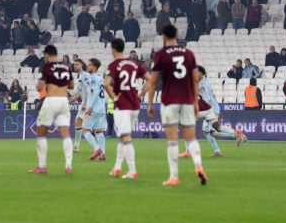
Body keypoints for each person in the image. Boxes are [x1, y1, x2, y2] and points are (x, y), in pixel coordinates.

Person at [142, 24, 207, 187]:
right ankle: (199, 166)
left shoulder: (161, 55)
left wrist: (149, 102)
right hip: (187, 99)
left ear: (164, 37)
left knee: (172, 141)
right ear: (177, 36)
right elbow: (195, 79)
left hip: (169, 100)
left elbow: (153, 80)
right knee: (191, 138)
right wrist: (196, 101)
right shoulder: (188, 53)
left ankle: (174, 177)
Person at [29, 44, 75, 175]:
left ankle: (42, 166)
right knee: (65, 133)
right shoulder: (66, 67)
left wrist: (41, 81)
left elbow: (39, 87)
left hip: (51, 100)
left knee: (41, 133)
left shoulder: (45, 67)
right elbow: (71, 85)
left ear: (47, 55)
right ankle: (68, 165)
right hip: (64, 101)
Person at [104, 38, 146, 179]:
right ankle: (117, 167)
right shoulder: (134, 63)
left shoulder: (114, 65)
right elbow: (150, 79)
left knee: (125, 138)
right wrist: (141, 94)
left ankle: (132, 171)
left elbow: (106, 84)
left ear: (113, 49)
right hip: (135, 105)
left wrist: (114, 98)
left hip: (122, 106)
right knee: (123, 137)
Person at [182, 68, 246, 159]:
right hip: (212, 108)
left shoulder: (202, 84)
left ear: (201, 74)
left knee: (206, 130)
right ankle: (225, 143)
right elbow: (213, 96)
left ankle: (234, 134)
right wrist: (217, 109)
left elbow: (207, 98)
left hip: (208, 109)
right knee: (212, 131)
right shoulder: (206, 82)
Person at [79, 58, 109, 161]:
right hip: (101, 108)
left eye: (90, 65)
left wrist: (90, 106)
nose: (88, 66)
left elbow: (95, 92)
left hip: (94, 108)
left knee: (84, 130)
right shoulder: (100, 78)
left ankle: (97, 149)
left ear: (95, 67)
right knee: (99, 131)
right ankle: (103, 153)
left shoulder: (92, 78)